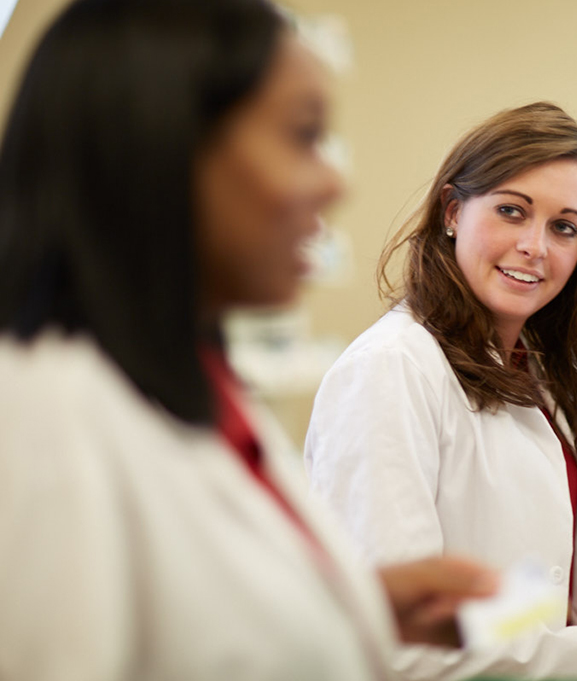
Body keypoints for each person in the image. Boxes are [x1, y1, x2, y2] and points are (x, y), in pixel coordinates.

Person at [0, 1, 497, 679]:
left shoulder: (198, 385)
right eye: (302, 136)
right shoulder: (41, 420)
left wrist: (345, 611)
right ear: (159, 140)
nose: (334, 180)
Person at [305, 102, 577, 681]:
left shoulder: (528, 367)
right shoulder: (391, 370)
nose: (535, 246)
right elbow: (403, 638)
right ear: (451, 211)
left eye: (563, 226)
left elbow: (490, 592)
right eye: (512, 212)